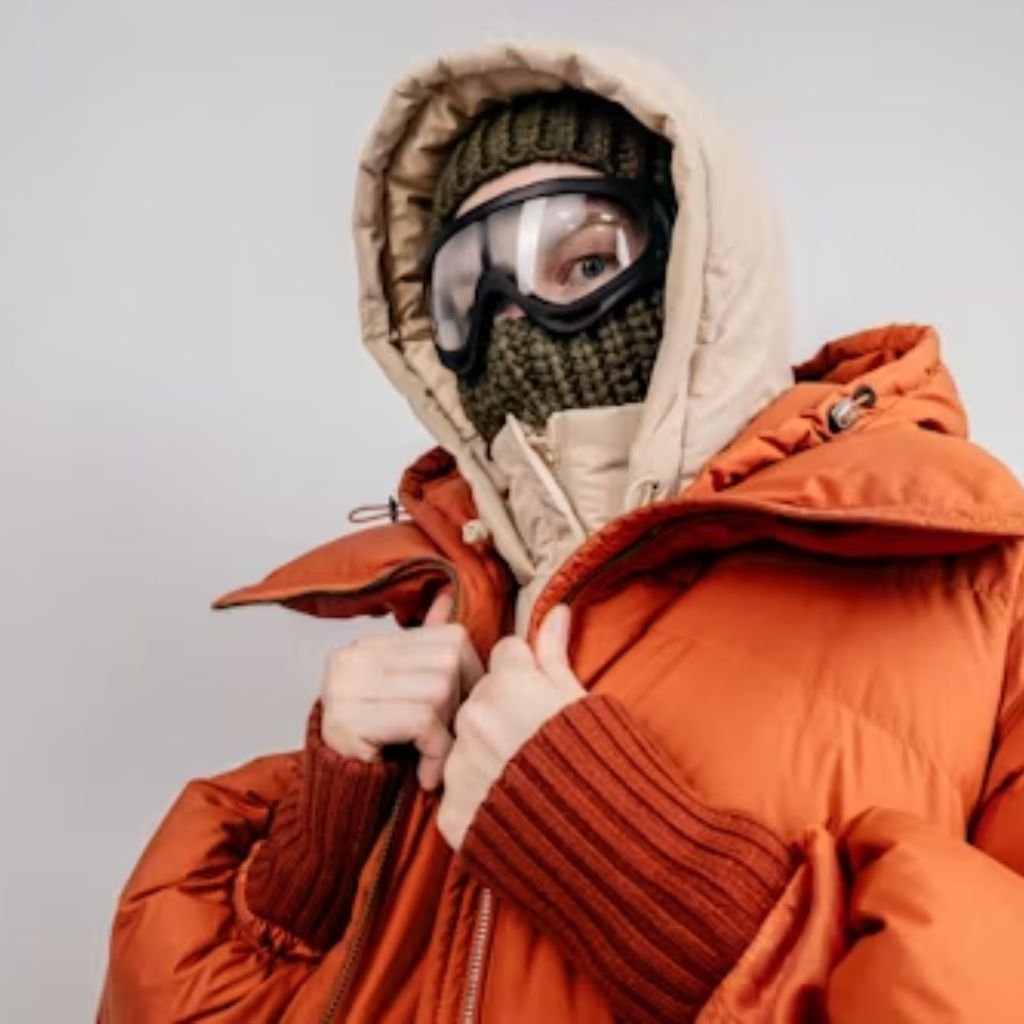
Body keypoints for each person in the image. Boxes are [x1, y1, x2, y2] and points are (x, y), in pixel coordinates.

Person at [99, 42, 1024, 1023]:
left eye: (585, 258)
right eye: (469, 290)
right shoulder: (445, 613)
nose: (516, 322)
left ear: (696, 264)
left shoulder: (974, 588)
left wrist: (656, 884)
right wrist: (309, 868)